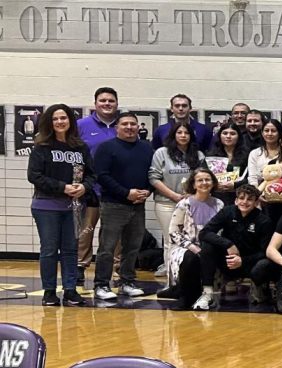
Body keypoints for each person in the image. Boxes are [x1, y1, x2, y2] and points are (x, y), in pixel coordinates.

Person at [28, 103, 95, 306]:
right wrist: (62, 187)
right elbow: (34, 176)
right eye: (55, 119)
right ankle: (49, 292)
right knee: (49, 249)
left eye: (63, 118)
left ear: (70, 121)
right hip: (46, 206)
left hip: (74, 207)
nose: (60, 122)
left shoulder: (80, 147)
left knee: (71, 249)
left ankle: (70, 290)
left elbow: (92, 174)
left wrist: (84, 187)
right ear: (49, 122)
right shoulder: (41, 146)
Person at [92, 112, 154, 300]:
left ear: (138, 127)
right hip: (113, 204)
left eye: (133, 124)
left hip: (138, 205)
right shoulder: (106, 148)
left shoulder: (146, 148)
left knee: (133, 246)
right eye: (125, 124)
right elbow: (101, 176)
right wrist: (125, 193)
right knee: (107, 247)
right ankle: (101, 285)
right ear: (117, 127)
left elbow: (152, 173)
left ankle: (127, 281)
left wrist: (147, 191)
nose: (129, 127)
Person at [195, 184, 273, 305]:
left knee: (265, 263)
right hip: (228, 259)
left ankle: (259, 288)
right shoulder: (227, 211)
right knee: (208, 245)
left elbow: (265, 252)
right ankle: (207, 291)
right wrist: (228, 244)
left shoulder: (264, 221)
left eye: (249, 199)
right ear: (236, 200)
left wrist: (242, 260)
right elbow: (204, 233)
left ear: (256, 202)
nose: (245, 202)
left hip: (249, 263)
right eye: (241, 198)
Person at [149, 122, 206, 277]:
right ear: (173, 135)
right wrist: (173, 195)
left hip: (192, 203)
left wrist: (193, 194)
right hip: (166, 203)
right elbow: (154, 178)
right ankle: (172, 277)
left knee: (191, 239)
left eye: (186, 133)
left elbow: (203, 179)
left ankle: (188, 274)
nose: (183, 136)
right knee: (171, 240)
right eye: (179, 132)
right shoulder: (161, 153)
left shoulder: (199, 155)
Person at [163, 169, 224, 309]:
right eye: (200, 180)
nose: (204, 183)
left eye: (208, 180)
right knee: (191, 258)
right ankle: (186, 297)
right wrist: (193, 247)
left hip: (210, 245)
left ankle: (205, 294)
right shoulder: (184, 204)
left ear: (213, 183)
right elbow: (173, 232)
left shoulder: (219, 204)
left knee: (209, 256)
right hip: (185, 246)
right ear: (194, 184)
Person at [76, 88, 119, 273]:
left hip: (117, 189)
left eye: (111, 100)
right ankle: (79, 266)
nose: (107, 104)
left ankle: (118, 268)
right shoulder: (81, 125)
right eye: (103, 100)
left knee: (116, 233)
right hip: (90, 189)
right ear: (95, 104)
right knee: (85, 231)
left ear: (117, 103)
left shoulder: (124, 125)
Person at [207, 121, 250, 206]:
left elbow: (251, 178)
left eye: (232, 134)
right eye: (225, 133)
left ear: (238, 137)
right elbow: (203, 176)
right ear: (219, 135)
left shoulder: (247, 155)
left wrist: (234, 185)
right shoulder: (211, 155)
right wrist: (214, 184)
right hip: (215, 199)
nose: (228, 136)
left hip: (240, 199)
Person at [247, 119, 282, 187]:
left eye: (273, 131)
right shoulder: (255, 153)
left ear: (279, 133)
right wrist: (257, 194)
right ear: (262, 133)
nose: (269, 134)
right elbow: (252, 178)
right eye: (266, 130)